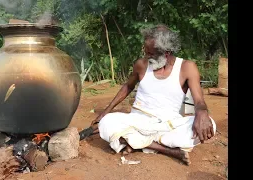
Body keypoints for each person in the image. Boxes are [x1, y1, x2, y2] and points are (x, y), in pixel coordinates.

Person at [89, 24, 216, 165]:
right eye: (146, 51)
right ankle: (167, 150)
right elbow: (127, 86)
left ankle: (135, 142)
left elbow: (198, 100)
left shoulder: (187, 67)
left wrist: (202, 113)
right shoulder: (141, 65)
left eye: (151, 53)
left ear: (166, 53)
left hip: (168, 125)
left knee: (212, 125)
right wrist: (105, 112)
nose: (146, 56)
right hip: (138, 121)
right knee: (107, 123)